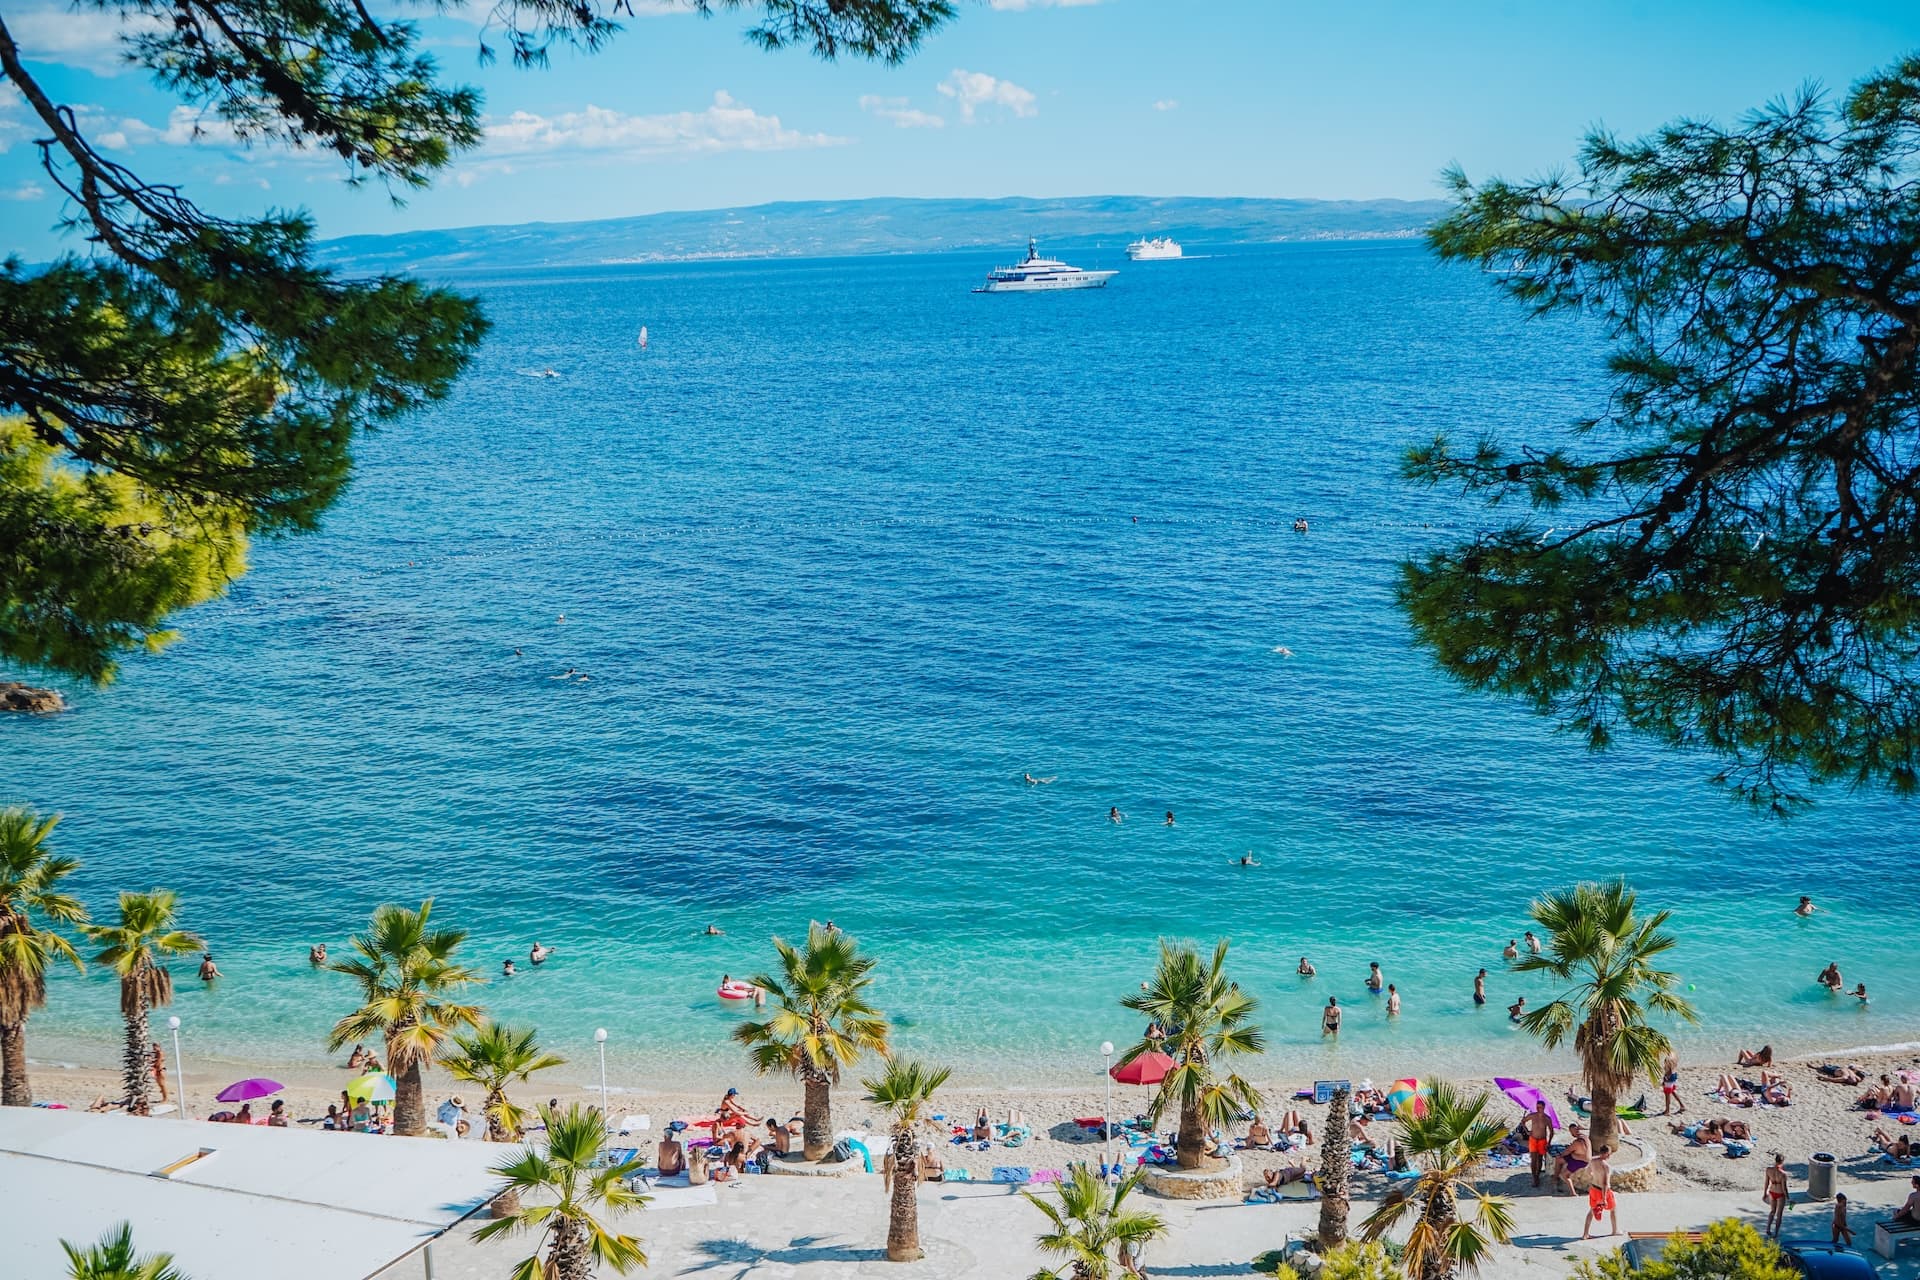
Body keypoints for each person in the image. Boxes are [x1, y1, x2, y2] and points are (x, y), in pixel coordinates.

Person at [1582, 1145, 1618, 1239]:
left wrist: (1594, 1176)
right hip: (1603, 1191)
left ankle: (1585, 1234)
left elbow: (1588, 1172)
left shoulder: (1592, 1161)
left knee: (1591, 1210)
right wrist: (1604, 1198)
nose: (1610, 1155)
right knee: (1613, 1209)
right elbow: (1605, 1183)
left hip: (1594, 1188)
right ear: (1606, 1153)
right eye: (1609, 1153)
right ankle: (1615, 1231)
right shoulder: (1606, 1166)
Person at [1522, 1099, 1554, 1188]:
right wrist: (1527, 1131)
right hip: (1533, 1139)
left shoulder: (1547, 1118)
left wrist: (1549, 1142)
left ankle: (1537, 1175)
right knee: (1533, 1159)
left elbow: (1551, 1131)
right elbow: (1523, 1121)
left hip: (1542, 1140)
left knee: (1539, 1159)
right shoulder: (1533, 1115)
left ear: (1543, 1107)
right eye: (1537, 1107)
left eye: (1540, 1107)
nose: (1538, 1108)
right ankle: (1534, 1177)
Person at [1556, 1122, 1591, 1195]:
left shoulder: (1577, 1142)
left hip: (1580, 1161)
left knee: (1564, 1175)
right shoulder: (1585, 1137)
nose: (1571, 1134)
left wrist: (1562, 1154)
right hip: (1579, 1157)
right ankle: (1555, 1177)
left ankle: (1573, 1193)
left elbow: (1567, 1151)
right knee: (1559, 1160)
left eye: (1571, 1132)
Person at [1763, 1152, 1790, 1238]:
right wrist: (1788, 1197)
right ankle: (1776, 1233)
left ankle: (1768, 1229)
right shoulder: (1783, 1174)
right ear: (1782, 1162)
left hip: (1772, 1192)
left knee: (1772, 1211)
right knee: (1779, 1214)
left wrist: (1764, 1193)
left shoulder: (1768, 1170)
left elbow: (1766, 1183)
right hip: (1780, 1194)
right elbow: (1784, 1188)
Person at [1661, 1051, 1684, 1116]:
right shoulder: (1673, 1057)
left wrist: (1665, 1079)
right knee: (1672, 1091)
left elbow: (1668, 1071)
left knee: (1667, 1095)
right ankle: (1682, 1105)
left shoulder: (1668, 1060)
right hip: (1674, 1076)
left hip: (1669, 1078)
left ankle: (1667, 1110)